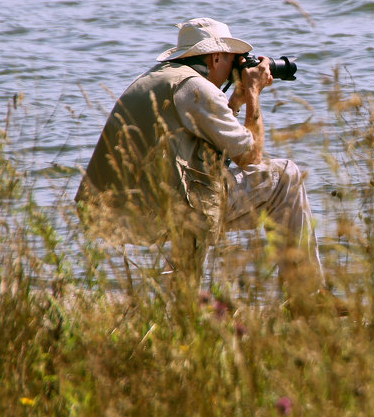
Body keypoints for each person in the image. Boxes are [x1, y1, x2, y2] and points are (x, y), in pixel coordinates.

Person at [76, 17, 322, 301]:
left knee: (200, 185)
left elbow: (203, 142)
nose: (235, 67)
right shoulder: (196, 89)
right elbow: (250, 157)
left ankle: (180, 309)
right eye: (233, 60)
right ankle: (306, 297)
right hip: (166, 211)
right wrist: (253, 92)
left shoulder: (159, 79)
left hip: (110, 213)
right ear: (216, 57)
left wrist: (235, 101)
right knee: (285, 176)